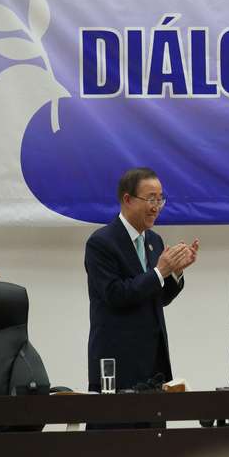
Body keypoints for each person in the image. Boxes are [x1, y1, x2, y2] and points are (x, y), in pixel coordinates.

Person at [85, 168, 198, 396]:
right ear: (127, 199)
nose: (156, 206)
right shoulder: (101, 243)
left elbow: (157, 298)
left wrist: (175, 273)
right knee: (117, 430)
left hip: (154, 362)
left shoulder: (154, 241)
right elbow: (116, 295)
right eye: (150, 199)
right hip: (118, 362)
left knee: (154, 430)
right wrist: (159, 271)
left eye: (160, 199)